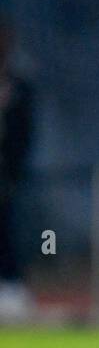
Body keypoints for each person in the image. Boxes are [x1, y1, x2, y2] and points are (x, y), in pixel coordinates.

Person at [0, 18, 36, 321]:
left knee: (9, 227)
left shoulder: (19, 86)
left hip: (7, 176)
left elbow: (25, 132)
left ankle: (11, 288)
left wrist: (13, 169)